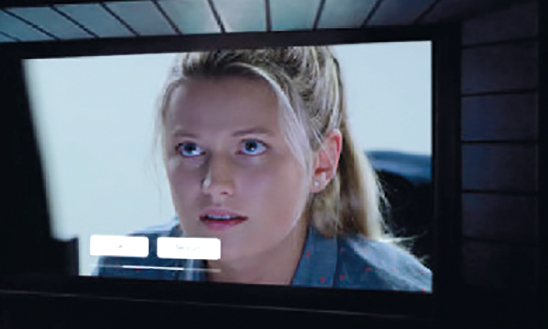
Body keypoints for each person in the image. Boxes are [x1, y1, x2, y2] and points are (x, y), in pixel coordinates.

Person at [95, 46, 431, 292]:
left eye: (251, 147)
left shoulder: (401, 297)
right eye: (190, 149)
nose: (214, 183)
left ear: (322, 163)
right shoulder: (125, 272)